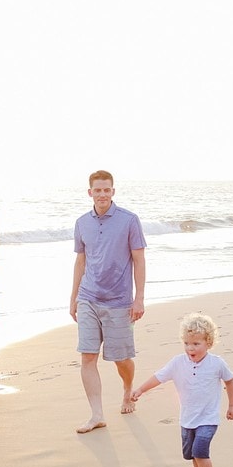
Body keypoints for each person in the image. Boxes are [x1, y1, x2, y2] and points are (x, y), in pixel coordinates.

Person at [130, 313, 233, 467]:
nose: (191, 348)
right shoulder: (178, 362)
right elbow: (158, 377)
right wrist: (140, 390)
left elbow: (230, 382)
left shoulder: (217, 363)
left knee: (200, 451)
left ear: (208, 342)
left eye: (196, 344)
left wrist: (232, 405)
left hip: (208, 418)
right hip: (187, 419)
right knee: (192, 455)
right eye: (187, 343)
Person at [70, 170, 147, 433]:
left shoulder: (129, 220)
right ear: (89, 192)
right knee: (87, 357)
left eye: (107, 190)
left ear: (113, 191)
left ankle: (127, 389)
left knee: (121, 359)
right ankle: (97, 414)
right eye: (97, 190)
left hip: (119, 302)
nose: (102, 194)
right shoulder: (82, 223)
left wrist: (139, 298)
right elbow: (80, 261)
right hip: (88, 298)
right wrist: (74, 297)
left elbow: (139, 260)